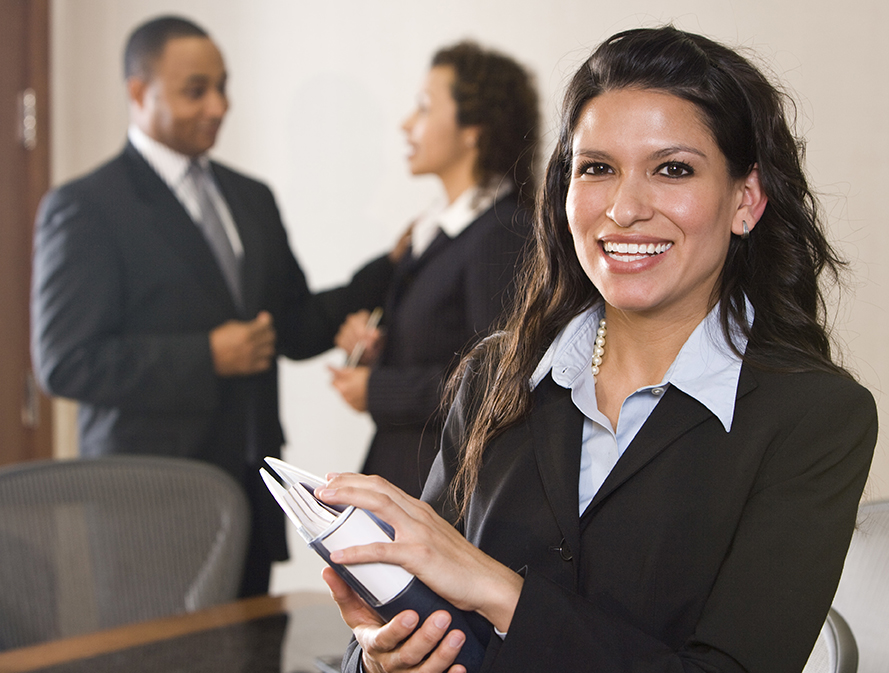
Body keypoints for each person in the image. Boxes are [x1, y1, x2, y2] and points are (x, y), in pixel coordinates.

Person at [315, 26, 878, 673]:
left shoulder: (815, 416)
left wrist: (499, 591)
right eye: (596, 168)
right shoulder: (495, 373)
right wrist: (380, 659)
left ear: (744, 201)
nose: (624, 207)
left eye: (672, 169)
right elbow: (423, 614)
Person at [30, 15, 399, 597]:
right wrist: (206, 357)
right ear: (138, 92)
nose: (219, 106)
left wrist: (393, 269)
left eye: (222, 87)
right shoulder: (85, 207)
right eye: (195, 90)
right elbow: (65, 362)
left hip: (248, 490)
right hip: (144, 504)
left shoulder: (250, 198)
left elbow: (294, 326)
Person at [329, 41, 539, 498]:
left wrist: (379, 390)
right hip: (406, 477)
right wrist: (377, 352)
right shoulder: (435, 232)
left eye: (424, 108)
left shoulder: (503, 234)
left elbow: (500, 380)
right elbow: (445, 350)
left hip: (443, 497)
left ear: (474, 131)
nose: (407, 123)